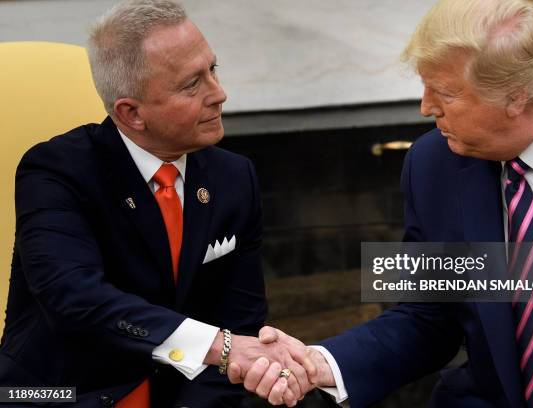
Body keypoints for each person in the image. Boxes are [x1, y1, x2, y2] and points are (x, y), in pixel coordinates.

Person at [239, 0, 533, 407]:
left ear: (517, 97)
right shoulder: (433, 164)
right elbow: (427, 315)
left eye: (446, 92)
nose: (426, 107)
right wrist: (322, 363)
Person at [0, 1, 312, 407]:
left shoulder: (235, 177)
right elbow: (73, 297)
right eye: (191, 85)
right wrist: (221, 346)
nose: (219, 95)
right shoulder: (57, 170)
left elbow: (241, 322)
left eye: (212, 70)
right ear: (132, 114)